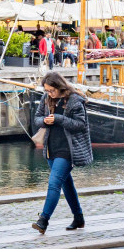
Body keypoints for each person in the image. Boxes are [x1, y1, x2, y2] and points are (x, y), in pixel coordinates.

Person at [31, 72, 93, 233]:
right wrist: (44, 121)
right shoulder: (46, 98)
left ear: (59, 86)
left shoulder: (74, 100)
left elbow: (80, 124)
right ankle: (78, 217)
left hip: (68, 149)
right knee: (66, 184)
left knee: (54, 184)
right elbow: (37, 118)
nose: (49, 93)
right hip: (51, 148)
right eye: (47, 90)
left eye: (52, 90)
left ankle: (43, 220)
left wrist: (58, 118)